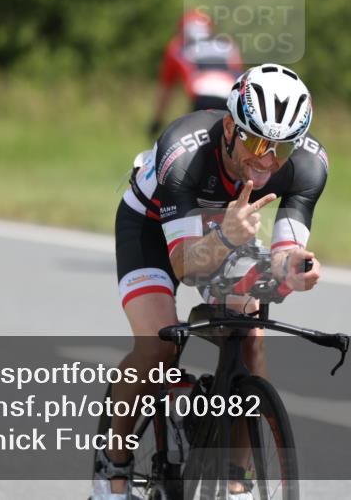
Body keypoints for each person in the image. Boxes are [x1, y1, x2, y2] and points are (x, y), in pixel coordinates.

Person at [94, 64, 329, 500]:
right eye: (257, 141)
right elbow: (185, 265)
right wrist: (225, 235)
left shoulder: (308, 165)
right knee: (157, 346)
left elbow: (283, 253)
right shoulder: (183, 151)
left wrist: (295, 268)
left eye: (282, 147)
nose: (268, 159)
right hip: (151, 225)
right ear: (228, 127)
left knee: (250, 338)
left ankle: (237, 479)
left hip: (229, 227)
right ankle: (113, 471)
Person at [148, 9, 244, 138]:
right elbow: (239, 75)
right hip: (231, 96)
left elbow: (167, 89)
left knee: (198, 143)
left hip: (202, 96)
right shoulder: (227, 44)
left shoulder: (177, 47)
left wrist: (157, 120)